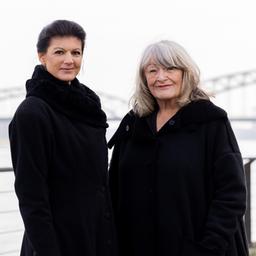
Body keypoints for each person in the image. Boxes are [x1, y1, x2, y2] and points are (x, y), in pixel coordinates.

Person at [108, 40, 248, 256]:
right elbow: (113, 193)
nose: (161, 77)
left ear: (186, 73)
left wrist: (207, 248)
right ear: (144, 78)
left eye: (170, 68)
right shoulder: (132, 126)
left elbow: (232, 194)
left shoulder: (210, 122)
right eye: (152, 70)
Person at [9, 19, 117, 256]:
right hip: (57, 245)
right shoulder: (32, 113)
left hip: (97, 239)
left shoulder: (88, 107)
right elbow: (32, 200)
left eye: (76, 52)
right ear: (42, 56)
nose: (69, 60)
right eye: (59, 52)